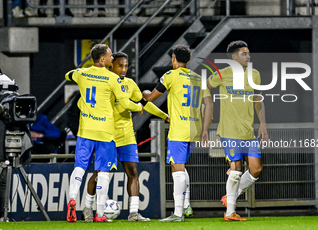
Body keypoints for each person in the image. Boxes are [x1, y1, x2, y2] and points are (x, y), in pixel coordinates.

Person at [82, 52, 169, 222]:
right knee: (99, 173)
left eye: (126, 65)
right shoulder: (104, 82)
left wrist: (164, 116)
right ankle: (87, 208)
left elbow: (144, 103)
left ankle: (134, 213)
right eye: (120, 65)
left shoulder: (130, 84)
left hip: (127, 135)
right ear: (111, 65)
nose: (123, 69)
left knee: (133, 172)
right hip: (107, 136)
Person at [65, 44, 143, 223]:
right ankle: (100, 214)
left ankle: (72, 199)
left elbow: (68, 75)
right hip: (105, 132)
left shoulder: (82, 74)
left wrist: (74, 74)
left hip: (85, 131)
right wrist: (138, 107)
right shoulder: (111, 78)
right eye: (109, 57)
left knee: (80, 167)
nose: (111, 59)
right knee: (104, 172)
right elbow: (125, 103)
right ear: (102, 60)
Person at [142, 44, 213, 222]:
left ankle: (178, 213)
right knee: (180, 166)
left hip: (179, 129)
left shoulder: (170, 76)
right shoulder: (198, 78)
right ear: (187, 60)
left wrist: (144, 93)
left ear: (174, 59)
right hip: (195, 129)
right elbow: (209, 104)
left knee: (176, 168)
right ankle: (186, 205)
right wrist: (205, 129)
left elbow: (151, 98)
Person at [206, 40, 268, 221]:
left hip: (248, 131)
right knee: (236, 169)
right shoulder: (222, 74)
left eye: (248, 53)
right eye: (244, 53)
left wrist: (263, 123)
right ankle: (230, 212)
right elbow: (205, 87)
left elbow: (258, 98)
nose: (248, 56)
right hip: (229, 129)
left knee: (256, 169)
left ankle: (230, 197)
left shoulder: (254, 74)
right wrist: (207, 108)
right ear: (234, 57)